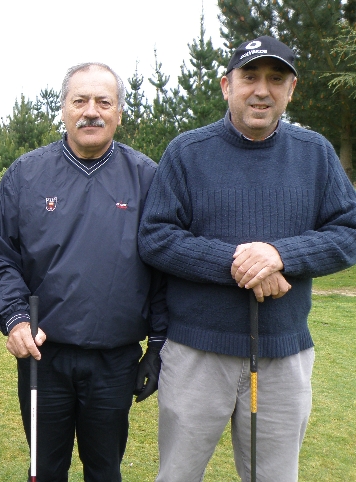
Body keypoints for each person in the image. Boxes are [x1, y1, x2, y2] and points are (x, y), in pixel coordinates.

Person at [138, 35, 356, 481]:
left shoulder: (315, 154)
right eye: (250, 77)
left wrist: (281, 255)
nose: (262, 90)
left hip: (283, 354)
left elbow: (348, 232)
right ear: (226, 85)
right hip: (196, 354)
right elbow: (156, 237)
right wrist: (242, 264)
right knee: (177, 475)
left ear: (291, 90)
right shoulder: (186, 152)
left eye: (276, 79)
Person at [0, 62, 168, 482]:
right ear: (63, 109)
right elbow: (0, 257)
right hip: (42, 357)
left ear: (119, 113)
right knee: (45, 470)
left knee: (104, 471)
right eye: (80, 100)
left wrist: (157, 347)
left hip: (115, 360)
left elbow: (163, 270)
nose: (91, 111)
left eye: (104, 102)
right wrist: (14, 318)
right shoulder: (25, 176)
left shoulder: (148, 179)